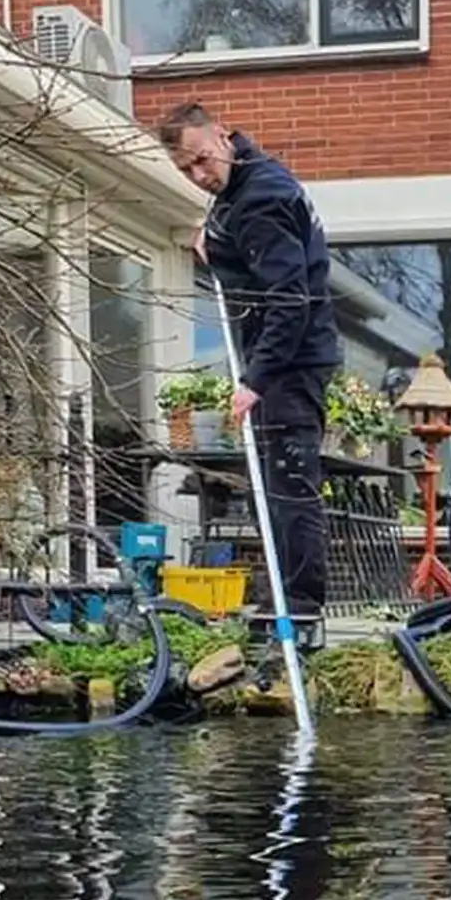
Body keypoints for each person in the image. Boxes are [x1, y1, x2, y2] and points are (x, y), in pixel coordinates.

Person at [157, 103, 341, 649]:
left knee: (288, 487)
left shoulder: (260, 198)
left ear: (222, 134)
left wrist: (256, 379)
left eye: (201, 160)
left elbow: (288, 299)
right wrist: (215, 248)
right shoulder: (240, 193)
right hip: (284, 362)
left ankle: (300, 613)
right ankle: (281, 600)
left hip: (289, 365)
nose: (198, 176)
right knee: (278, 487)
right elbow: (255, 267)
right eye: (185, 170)